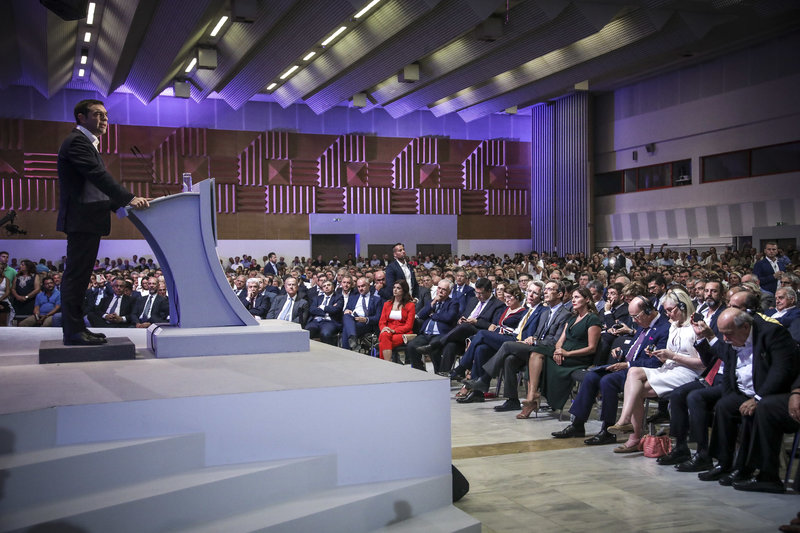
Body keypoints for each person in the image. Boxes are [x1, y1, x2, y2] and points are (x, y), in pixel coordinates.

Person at [57, 99, 149, 345]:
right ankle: (73, 332)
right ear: (81, 117)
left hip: (87, 219)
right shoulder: (77, 141)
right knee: (76, 277)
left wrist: (122, 204)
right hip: (81, 220)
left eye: (106, 115)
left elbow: (93, 187)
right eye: (97, 114)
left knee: (80, 277)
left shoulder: (87, 143)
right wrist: (128, 198)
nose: (104, 119)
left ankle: (78, 329)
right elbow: (97, 176)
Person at [607, 289, 702, 451]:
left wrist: (672, 356)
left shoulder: (696, 328)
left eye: (670, 310)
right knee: (633, 373)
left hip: (689, 371)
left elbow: (702, 363)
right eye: (666, 311)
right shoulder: (674, 326)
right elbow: (669, 356)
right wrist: (659, 355)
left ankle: (632, 433)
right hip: (671, 367)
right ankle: (627, 423)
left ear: (683, 306)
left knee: (635, 389)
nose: (668, 314)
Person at [519, 287, 602, 418]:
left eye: (577, 297)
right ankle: (532, 395)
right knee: (535, 352)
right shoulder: (572, 318)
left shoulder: (592, 319)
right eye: (572, 297)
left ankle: (532, 399)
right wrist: (558, 351)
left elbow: (592, 348)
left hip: (578, 357)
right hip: (562, 352)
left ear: (587, 300)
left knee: (540, 359)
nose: (573, 300)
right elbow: (560, 341)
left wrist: (567, 354)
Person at [377, 280, 416, 361]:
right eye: (394, 287)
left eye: (398, 288)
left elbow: (409, 326)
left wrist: (394, 330)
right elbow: (382, 322)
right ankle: (388, 362)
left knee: (383, 341)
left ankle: (385, 364)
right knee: (384, 335)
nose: (395, 290)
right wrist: (384, 328)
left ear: (404, 290)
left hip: (402, 332)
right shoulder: (387, 304)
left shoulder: (410, 305)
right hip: (387, 331)